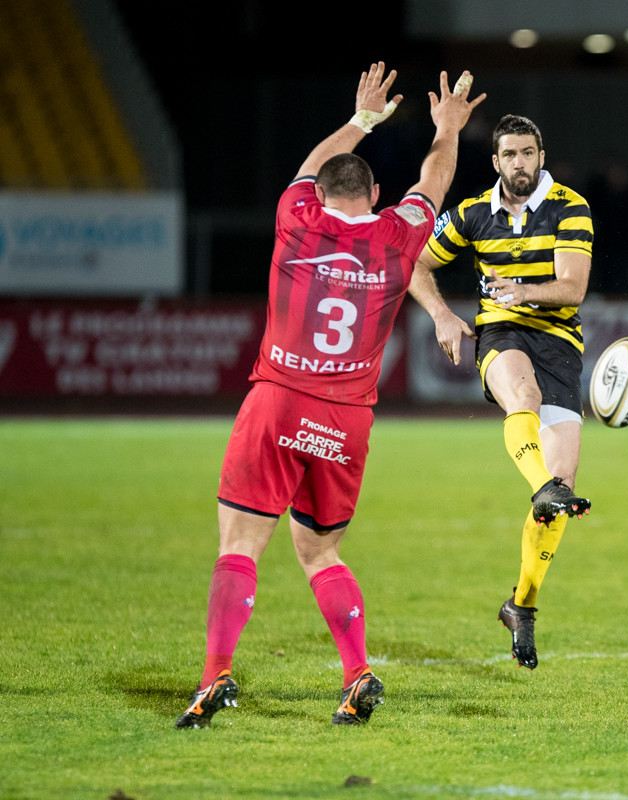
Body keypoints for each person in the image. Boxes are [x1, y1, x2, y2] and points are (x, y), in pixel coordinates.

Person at [175, 63, 485, 728]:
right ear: (376, 192)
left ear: (318, 193)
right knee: (320, 552)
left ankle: (214, 676)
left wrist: (361, 120)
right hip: (347, 420)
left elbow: (308, 168)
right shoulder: (399, 233)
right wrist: (447, 128)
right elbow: (435, 180)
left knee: (239, 546)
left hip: (279, 399)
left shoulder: (296, 218)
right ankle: (355, 672)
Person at [408, 114, 593, 670]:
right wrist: (442, 315)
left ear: (541, 156)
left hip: (559, 342)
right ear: (495, 162)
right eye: (510, 154)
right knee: (523, 397)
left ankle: (522, 606)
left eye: (528, 153)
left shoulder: (570, 207)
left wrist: (523, 289)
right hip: (500, 332)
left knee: (561, 494)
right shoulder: (472, 213)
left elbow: (573, 287)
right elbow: (414, 263)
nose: (520, 163)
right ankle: (542, 487)